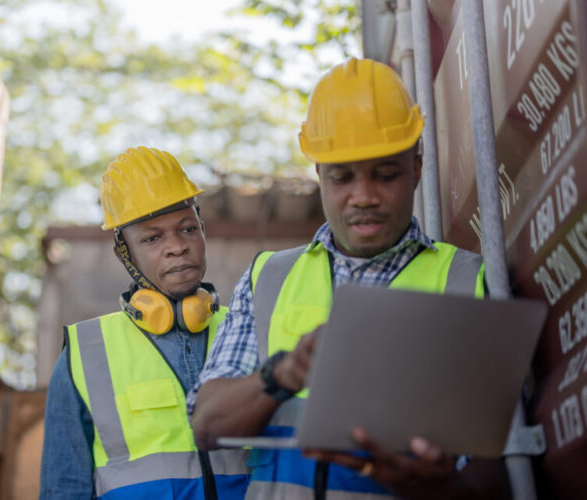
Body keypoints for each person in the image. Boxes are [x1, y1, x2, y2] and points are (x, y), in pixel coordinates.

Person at [189, 58, 509, 499]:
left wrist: (439, 487)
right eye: (342, 177)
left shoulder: (473, 284)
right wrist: (281, 374)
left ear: (416, 168)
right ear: (319, 174)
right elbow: (208, 426)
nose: (364, 196)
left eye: (386, 174)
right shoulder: (268, 279)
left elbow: (502, 474)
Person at [39, 146, 250, 499]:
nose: (177, 247)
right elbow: (63, 489)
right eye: (153, 238)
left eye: (187, 229)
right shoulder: (86, 353)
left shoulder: (247, 328)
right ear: (125, 254)